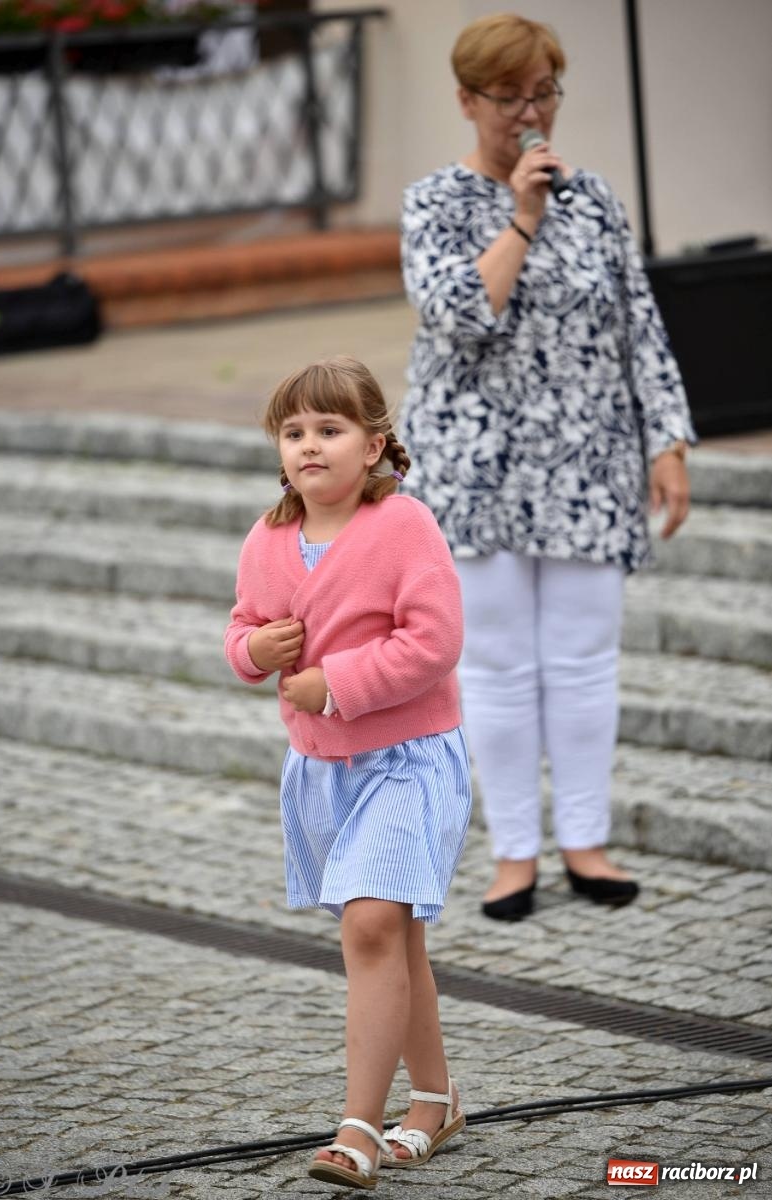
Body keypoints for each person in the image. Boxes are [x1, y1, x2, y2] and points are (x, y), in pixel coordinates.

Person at [399, 13, 696, 922]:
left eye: (545, 92)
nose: (531, 114)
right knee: (493, 666)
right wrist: (522, 216)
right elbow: (460, 313)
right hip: (474, 470)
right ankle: (513, 854)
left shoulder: (595, 198)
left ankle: (585, 842)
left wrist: (666, 438)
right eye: (510, 96)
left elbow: (636, 320)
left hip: (586, 460)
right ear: (466, 101)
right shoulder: (433, 203)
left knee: (580, 661)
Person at [224, 356, 471, 1189]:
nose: (308, 446)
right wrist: (254, 651)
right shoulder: (266, 538)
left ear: (372, 446)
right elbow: (242, 631)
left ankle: (356, 1128)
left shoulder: (404, 526)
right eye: (293, 432)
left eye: (328, 430)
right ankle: (434, 1100)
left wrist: (339, 684)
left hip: (406, 762)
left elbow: (434, 641)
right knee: (395, 940)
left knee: (368, 927)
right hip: (323, 774)